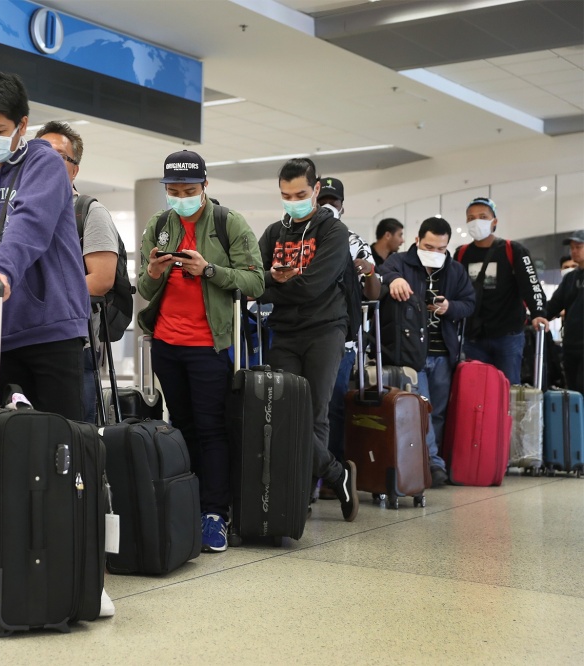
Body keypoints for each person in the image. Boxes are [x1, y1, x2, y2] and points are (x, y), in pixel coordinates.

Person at [137, 149, 264, 552]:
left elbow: (256, 281)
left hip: (209, 345)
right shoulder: (159, 224)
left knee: (212, 429)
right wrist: (154, 272)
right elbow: (144, 287)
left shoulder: (228, 223)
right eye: (173, 191)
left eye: (189, 191)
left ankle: (214, 513)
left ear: (205, 186)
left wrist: (208, 270)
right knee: (181, 426)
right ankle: (187, 504)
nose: (181, 198)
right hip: (166, 343)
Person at [0, 71, 90, 421]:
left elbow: (30, 225)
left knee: (61, 436)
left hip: (51, 328)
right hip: (3, 332)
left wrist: (2, 270)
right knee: (12, 439)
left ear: (21, 125)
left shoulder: (45, 164)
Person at [256, 158, 359, 523]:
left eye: (300, 194)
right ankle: (336, 473)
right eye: (286, 195)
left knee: (314, 413)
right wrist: (273, 281)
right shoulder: (274, 233)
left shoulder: (334, 232)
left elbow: (313, 285)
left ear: (316, 189)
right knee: (285, 412)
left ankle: (304, 491)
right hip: (284, 332)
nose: (293, 201)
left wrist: (274, 284)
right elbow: (254, 280)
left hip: (325, 330)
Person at [377, 217, 476, 487]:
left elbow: (469, 303)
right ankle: (432, 463)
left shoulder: (454, 270)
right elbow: (381, 274)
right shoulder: (400, 263)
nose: (434, 253)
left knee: (438, 411)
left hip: (443, 352)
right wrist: (395, 280)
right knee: (422, 408)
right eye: (429, 247)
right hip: (412, 352)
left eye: (441, 248)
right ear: (417, 241)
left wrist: (449, 307)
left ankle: (431, 460)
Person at [36, 121, 118, 424]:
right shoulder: (20, 210)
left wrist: (43, 300)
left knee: (73, 433)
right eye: (40, 155)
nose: (47, 163)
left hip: (72, 344)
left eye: (58, 157)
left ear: (74, 170)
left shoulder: (89, 213)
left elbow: (101, 280)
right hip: (23, 342)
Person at [316, 177, 379, 501]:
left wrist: (368, 270)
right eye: (322, 200)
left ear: (342, 206)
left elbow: (374, 292)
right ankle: (310, 476)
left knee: (333, 407)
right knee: (308, 407)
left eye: (333, 201)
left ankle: (332, 474)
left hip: (343, 340)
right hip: (304, 333)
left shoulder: (354, 241)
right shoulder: (302, 237)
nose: (328, 206)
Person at [456, 196, 547, 386]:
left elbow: (531, 284)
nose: (476, 222)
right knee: (476, 389)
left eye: (483, 217)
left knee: (508, 388)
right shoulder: (461, 253)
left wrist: (538, 313)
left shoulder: (512, 249)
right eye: (471, 218)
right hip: (473, 336)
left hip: (508, 335)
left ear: (494, 221)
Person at [547, 230, 583, 393]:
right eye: (572, 248)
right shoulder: (570, 279)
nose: (574, 251)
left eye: (578, 247)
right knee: (573, 392)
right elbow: (553, 306)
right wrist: (535, 315)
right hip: (570, 345)